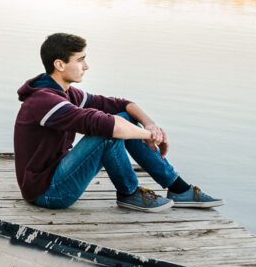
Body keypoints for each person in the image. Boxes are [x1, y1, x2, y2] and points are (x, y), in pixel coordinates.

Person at [13, 33, 222, 212]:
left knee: (124, 117)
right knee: (107, 132)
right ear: (59, 64)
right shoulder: (44, 101)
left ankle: (179, 189)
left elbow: (121, 105)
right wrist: (151, 137)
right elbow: (109, 126)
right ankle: (129, 193)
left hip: (57, 175)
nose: (86, 66)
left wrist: (150, 125)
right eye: (80, 60)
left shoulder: (66, 93)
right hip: (47, 193)